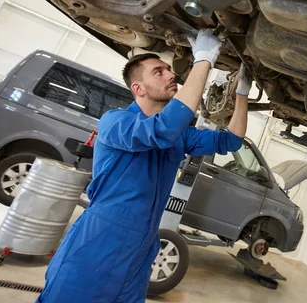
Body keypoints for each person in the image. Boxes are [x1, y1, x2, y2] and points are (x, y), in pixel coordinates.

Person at [37, 29, 252, 302]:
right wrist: (203, 61)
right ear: (138, 88)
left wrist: (242, 94)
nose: (171, 74)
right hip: (101, 237)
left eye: (167, 69)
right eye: (158, 72)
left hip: (143, 244)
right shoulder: (115, 122)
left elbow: (231, 142)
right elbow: (161, 130)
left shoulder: (179, 134)